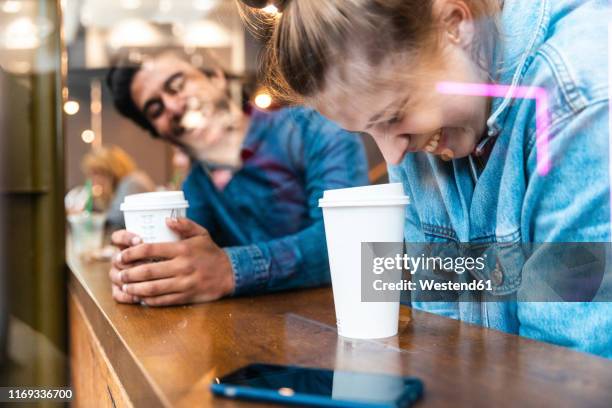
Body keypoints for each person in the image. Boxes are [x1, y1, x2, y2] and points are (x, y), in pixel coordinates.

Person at [239, 0, 612, 357]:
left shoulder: (580, 99)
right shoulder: (418, 139)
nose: (392, 156)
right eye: (370, 131)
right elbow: (442, 335)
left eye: (392, 116)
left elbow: (565, 371)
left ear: (454, 23)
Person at [106, 53, 368, 306]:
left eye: (177, 84)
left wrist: (230, 270)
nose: (173, 107)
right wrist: (139, 272)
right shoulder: (197, 186)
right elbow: (188, 262)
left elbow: (352, 243)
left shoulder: (315, 129)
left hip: (357, 320)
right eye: (156, 109)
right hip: (263, 336)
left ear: (216, 76)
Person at [78, 145, 155, 228]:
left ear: (112, 171)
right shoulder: (124, 183)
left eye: (96, 173)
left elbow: (115, 220)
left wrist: (83, 217)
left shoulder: (131, 182)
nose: (93, 179)